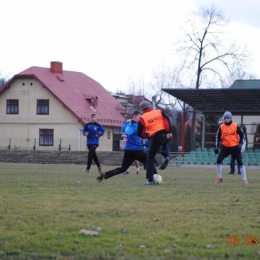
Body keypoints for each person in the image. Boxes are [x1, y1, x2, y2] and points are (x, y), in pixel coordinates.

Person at [96, 111, 158, 182]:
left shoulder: (127, 124)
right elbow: (130, 131)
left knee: (123, 168)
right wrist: (126, 134)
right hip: (136, 149)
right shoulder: (136, 126)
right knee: (150, 161)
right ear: (134, 116)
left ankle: (106, 175)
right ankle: (154, 177)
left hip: (128, 150)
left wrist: (126, 123)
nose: (140, 119)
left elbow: (123, 128)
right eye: (139, 117)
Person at [138, 101, 172, 185]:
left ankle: (150, 180)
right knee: (164, 144)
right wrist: (169, 131)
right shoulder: (159, 111)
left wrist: (147, 136)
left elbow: (140, 133)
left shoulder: (142, 118)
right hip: (165, 134)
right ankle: (166, 156)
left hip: (156, 136)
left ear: (142, 109)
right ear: (150, 107)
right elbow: (167, 119)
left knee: (150, 158)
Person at [214, 111, 248, 184]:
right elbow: (217, 137)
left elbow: (242, 136)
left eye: (227, 118)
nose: (226, 119)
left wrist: (242, 147)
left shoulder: (235, 126)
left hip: (235, 147)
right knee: (219, 160)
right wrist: (216, 147)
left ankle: (245, 180)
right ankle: (219, 178)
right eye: (225, 118)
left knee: (240, 162)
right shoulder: (221, 126)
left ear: (230, 118)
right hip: (225, 147)